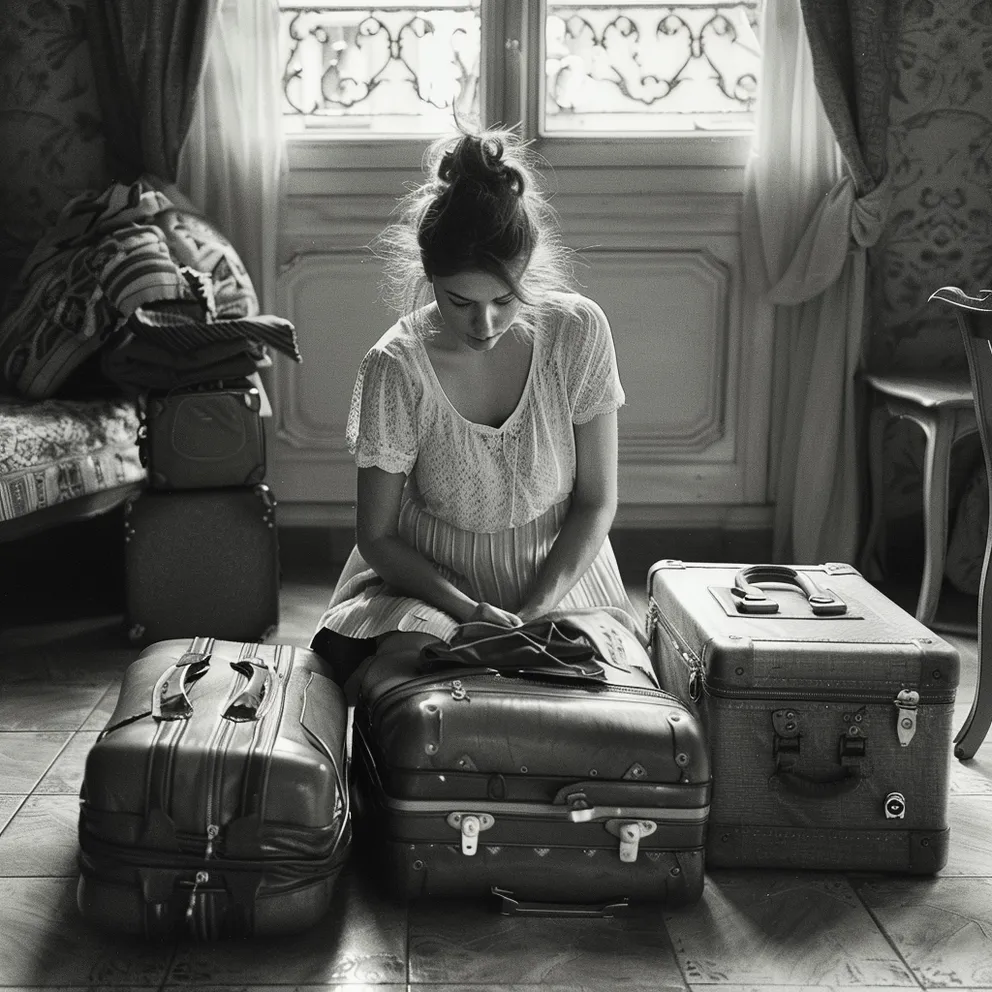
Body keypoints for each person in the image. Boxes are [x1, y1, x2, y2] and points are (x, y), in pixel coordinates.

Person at [310, 124, 643, 695]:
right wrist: (469, 612)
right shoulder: (396, 364)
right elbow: (378, 536)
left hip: (559, 576)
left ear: (527, 272)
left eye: (504, 300)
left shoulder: (578, 331)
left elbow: (596, 501)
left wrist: (535, 610)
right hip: (428, 585)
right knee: (414, 686)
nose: (484, 324)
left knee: (588, 700)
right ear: (429, 278)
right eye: (459, 301)